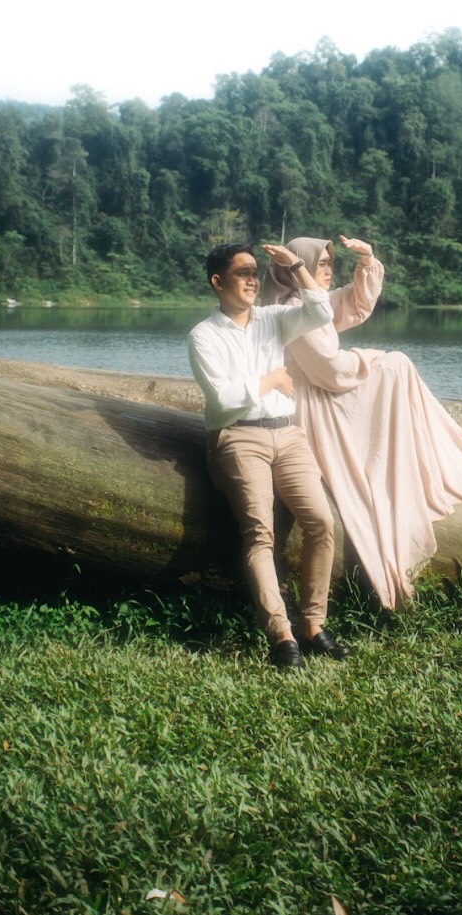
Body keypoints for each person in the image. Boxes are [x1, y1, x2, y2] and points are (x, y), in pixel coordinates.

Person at [261, 235, 462, 609]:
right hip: (315, 406)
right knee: (396, 365)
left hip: (325, 392)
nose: (329, 271)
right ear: (295, 269)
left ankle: (427, 458)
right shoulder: (292, 308)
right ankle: (426, 461)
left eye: (330, 264)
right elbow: (331, 371)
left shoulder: (306, 301)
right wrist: (371, 357)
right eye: (321, 264)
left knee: (397, 365)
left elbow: (353, 304)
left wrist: (367, 260)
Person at [187, 242, 351, 669]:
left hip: (287, 435)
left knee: (321, 522)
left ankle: (313, 626)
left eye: (255, 272)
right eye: (242, 273)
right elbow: (223, 400)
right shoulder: (203, 336)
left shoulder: (273, 318)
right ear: (217, 282)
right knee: (260, 534)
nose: (252, 280)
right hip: (238, 437)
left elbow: (321, 311)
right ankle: (281, 635)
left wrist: (295, 265)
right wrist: (273, 379)